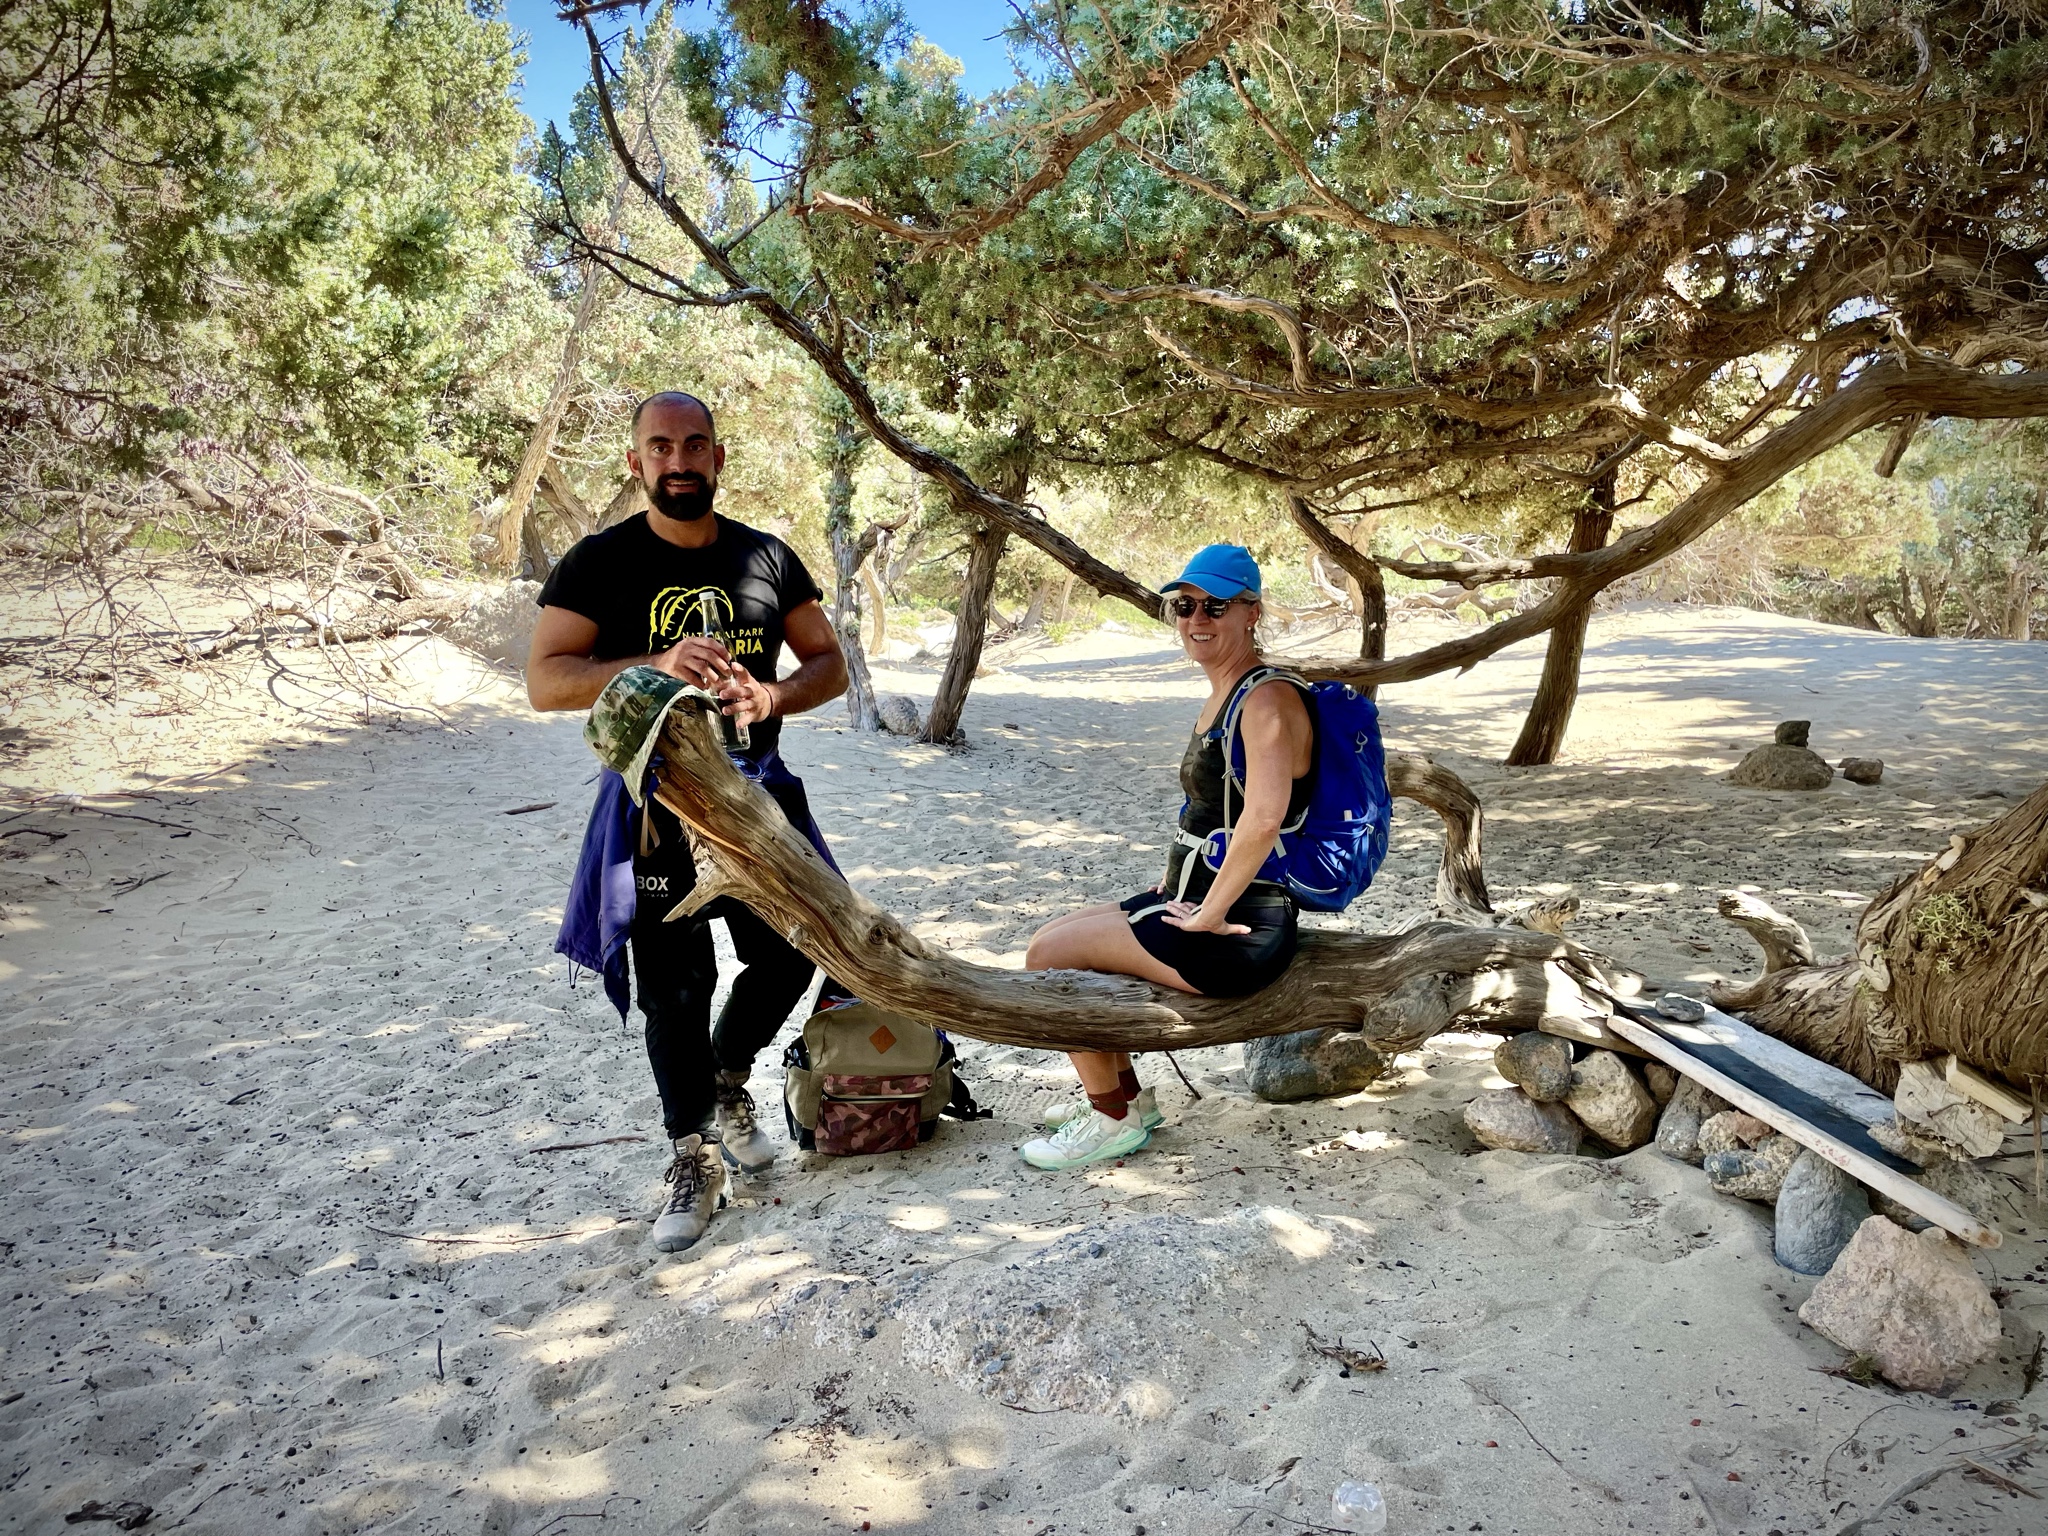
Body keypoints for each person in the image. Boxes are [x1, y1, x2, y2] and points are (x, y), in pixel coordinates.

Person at [529, 391, 849, 1251]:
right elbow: (547, 681)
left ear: (718, 457)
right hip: (652, 811)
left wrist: (773, 692)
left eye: (694, 445)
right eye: (660, 447)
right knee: (675, 985)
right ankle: (694, 1156)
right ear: (635, 462)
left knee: (797, 951)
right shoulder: (598, 563)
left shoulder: (765, 556)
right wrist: (656, 664)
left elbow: (831, 664)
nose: (679, 461)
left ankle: (726, 1072)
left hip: (759, 802)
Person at [1017, 544, 1314, 1171]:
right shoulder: (1230, 692)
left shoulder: (1265, 700)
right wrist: (1173, 882)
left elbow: (1262, 820)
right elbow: (1215, 813)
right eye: (1184, 606)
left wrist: (1208, 911)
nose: (1196, 618)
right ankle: (1129, 1099)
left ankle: (1110, 1118)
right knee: (1054, 936)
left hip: (1237, 927)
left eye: (1215, 606)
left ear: (1251, 613)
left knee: (1048, 958)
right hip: (1201, 899)